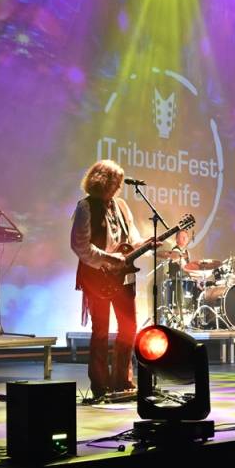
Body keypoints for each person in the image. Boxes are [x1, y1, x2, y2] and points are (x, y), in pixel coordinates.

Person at [71, 159, 147, 399]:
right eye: (114, 182)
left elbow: (132, 239)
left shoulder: (122, 206)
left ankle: (122, 381)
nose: (118, 187)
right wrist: (109, 259)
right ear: (101, 181)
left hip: (123, 278)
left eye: (119, 183)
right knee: (101, 331)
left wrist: (146, 245)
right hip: (97, 277)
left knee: (129, 328)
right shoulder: (85, 206)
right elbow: (80, 246)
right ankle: (100, 384)